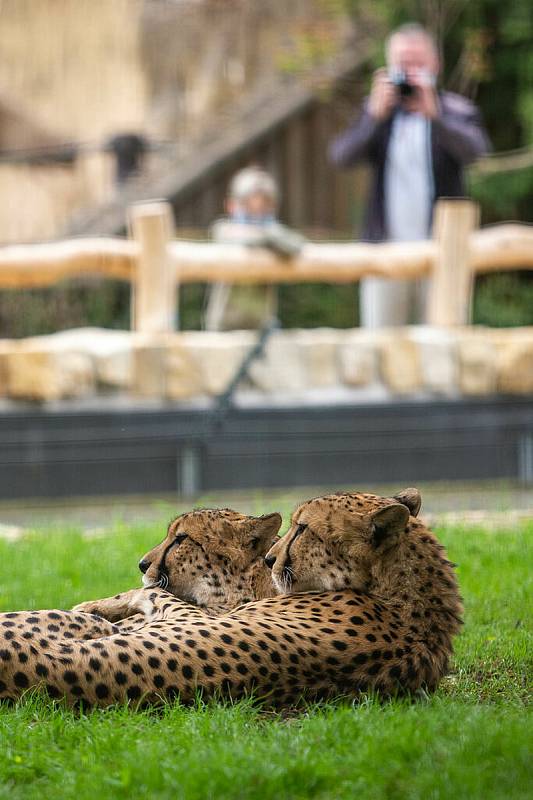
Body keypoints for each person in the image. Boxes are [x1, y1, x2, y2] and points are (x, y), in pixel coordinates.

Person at [329, 23, 491, 328]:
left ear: (436, 65)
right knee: (381, 347)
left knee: (443, 342)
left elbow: (476, 152)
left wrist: (436, 118)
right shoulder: (379, 113)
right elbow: (341, 157)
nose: (411, 71)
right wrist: (373, 117)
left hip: (443, 252)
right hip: (385, 250)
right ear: (389, 66)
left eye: (418, 63)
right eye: (404, 63)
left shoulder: (455, 110)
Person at [204, 166, 305, 331]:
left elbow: (296, 245)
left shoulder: (274, 233)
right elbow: (234, 237)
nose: (257, 211)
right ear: (231, 205)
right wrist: (268, 237)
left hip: (261, 328)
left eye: (264, 205)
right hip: (223, 327)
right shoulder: (224, 228)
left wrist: (270, 236)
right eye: (249, 205)